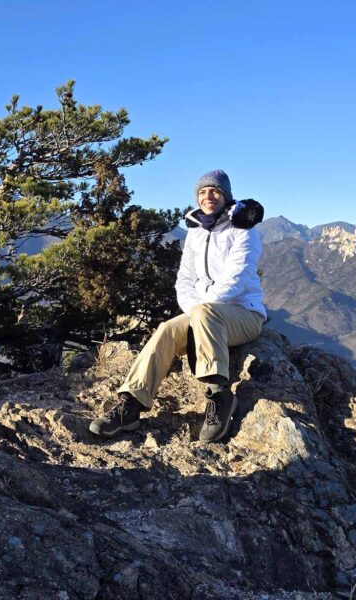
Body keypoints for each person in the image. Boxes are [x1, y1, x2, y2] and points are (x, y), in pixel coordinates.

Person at [89, 169, 266, 443]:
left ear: (226, 196)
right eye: (203, 192)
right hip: (203, 314)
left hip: (244, 314)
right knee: (166, 330)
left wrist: (200, 309)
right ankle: (132, 404)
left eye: (215, 191)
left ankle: (219, 397)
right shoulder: (195, 232)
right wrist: (194, 309)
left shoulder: (242, 231)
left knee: (204, 313)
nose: (209, 195)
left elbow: (237, 280)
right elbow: (184, 279)